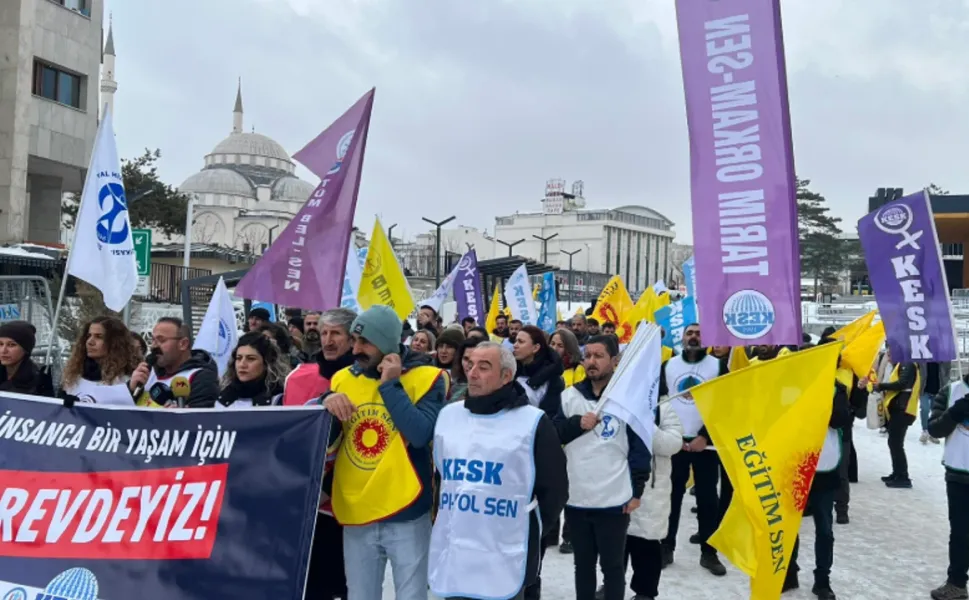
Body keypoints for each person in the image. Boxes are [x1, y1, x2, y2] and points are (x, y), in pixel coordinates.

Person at [322, 305, 446, 600]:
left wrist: (390, 385)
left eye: (365, 342)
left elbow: (418, 435)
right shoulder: (342, 379)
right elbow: (324, 436)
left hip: (407, 509)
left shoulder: (429, 377)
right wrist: (325, 399)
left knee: (411, 595)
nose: (356, 349)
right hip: (357, 509)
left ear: (388, 343)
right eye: (354, 340)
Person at [428, 342, 568, 600]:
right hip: (457, 551)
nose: (472, 373)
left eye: (484, 367)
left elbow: (555, 490)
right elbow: (442, 479)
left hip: (504, 553)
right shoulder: (449, 417)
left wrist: (527, 527)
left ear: (506, 376)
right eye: (470, 365)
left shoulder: (532, 422)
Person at [554, 335, 650, 600]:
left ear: (615, 361)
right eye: (587, 356)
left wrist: (637, 490)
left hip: (614, 499)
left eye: (599, 356)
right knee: (583, 566)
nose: (591, 362)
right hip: (578, 497)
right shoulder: (568, 396)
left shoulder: (628, 401)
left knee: (613, 566)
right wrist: (577, 424)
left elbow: (640, 448)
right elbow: (553, 435)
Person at [285, 308, 356, 600]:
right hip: (309, 503)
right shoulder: (297, 377)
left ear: (353, 339)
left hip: (352, 501)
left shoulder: (364, 380)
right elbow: (289, 436)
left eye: (336, 333)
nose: (327, 340)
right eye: (324, 332)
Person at [783, 348, 853, 600]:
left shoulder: (838, 389)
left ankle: (822, 579)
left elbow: (840, 420)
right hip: (796, 465)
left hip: (824, 467)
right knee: (789, 525)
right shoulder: (790, 387)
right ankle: (789, 571)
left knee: (824, 527)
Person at [659, 323, 728, 576]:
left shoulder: (718, 366)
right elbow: (659, 403)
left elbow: (725, 405)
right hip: (674, 441)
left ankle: (709, 552)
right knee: (672, 497)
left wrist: (704, 436)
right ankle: (666, 547)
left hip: (705, 445)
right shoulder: (668, 366)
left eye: (699, 332)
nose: (694, 336)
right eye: (690, 333)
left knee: (708, 500)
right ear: (682, 338)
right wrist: (670, 435)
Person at [626, 400, 683, 600]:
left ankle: (645, 592)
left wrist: (644, 423)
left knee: (646, 544)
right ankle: (611, 583)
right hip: (616, 483)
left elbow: (672, 444)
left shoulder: (664, 407)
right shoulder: (616, 401)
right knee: (615, 543)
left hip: (651, 489)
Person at [927, 375, 969, 600]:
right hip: (959, 475)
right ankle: (957, 583)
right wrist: (957, 411)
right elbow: (934, 429)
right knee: (961, 533)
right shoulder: (951, 390)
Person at [130, 317, 219, 408]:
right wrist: (131, 389)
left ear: (183, 344)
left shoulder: (200, 377)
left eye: (161, 340)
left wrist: (178, 416)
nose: (153, 346)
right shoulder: (148, 371)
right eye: (153, 340)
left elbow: (202, 419)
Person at [61, 316, 140, 405]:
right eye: (88, 336)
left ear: (115, 342)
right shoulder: (73, 376)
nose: (90, 342)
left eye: (99, 337)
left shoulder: (126, 380)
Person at [870, 350, 919, 488]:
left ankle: (903, 476)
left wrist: (882, 386)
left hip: (902, 409)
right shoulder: (902, 364)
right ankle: (897, 472)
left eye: (891, 354)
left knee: (896, 443)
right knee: (893, 442)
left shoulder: (907, 364)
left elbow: (902, 383)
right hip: (898, 408)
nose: (889, 357)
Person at [217, 332, 289, 408]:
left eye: (251, 359)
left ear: (266, 363)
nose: (242, 364)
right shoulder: (223, 399)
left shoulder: (280, 399)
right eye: (239, 358)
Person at [512, 325, 565, 417]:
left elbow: (550, 417)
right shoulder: (510, 371)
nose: (515, 345)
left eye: (520, 342)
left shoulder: (552, 379)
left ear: (535, 348)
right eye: (515, 341)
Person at [0, 321, 49, 396]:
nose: (3, 350)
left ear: (25, 349)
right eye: (0, 344)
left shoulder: (39, 381)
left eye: (11, 345)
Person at [920, 361, 951, 444]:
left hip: (938, 390)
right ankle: (925, 431)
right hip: (924, 389)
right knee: (925, 408)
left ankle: (932, 433)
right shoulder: (923, 358)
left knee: (935, 413)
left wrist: (945, 385)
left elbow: (947, 372)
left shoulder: (943, 360)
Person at [447, 338, 482, 404]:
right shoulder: (451, 386)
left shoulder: (489, 390)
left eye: (475, 359)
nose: (469, 364)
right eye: (466, 359)